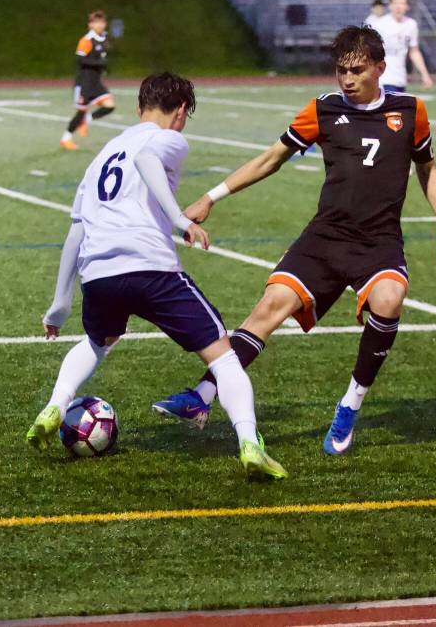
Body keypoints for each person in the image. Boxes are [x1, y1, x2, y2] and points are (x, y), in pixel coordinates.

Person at [152, 26, 436, 456]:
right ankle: (201, 398)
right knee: (268, 308)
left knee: (389, 300)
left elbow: (427, 169)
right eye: (340, 70)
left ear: (380, 68)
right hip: (325, 238)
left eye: (356, 70)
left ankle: (350, 405)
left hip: (378, 242)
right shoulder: (323, 109)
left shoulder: (410, 111)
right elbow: (270, 159)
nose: (347, 79)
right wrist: (211, 197)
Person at [30, 72, 287, 481]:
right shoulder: (169, 138)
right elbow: (147, 160)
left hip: (99, 272)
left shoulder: (102, 154)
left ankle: (57, 405)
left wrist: (60, 303)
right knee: (223, 356)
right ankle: (250, 443)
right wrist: (181, 220)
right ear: (181, 111)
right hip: (149, 266)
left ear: (138, 107)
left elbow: (76, 231)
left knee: (99, 341)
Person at [60, 10, 115, 151]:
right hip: (84, 83)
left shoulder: (103, 39)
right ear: (90, 24)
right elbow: (80, 60)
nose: (99, 25)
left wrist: (105, 67)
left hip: (96, 83)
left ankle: (87, 120)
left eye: (102, 22)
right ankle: (65, 139)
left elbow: (102, 57)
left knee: (109, 105)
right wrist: (100, 64)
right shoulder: (86, 40)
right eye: (96, 22)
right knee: (80, 113)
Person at [364, 0, 433, 92]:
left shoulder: (411, 24)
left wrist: (425, 74)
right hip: (382, 79)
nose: (399, 7)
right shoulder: (379, 25)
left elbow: (414, 52)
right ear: (390, 6)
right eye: (396, 3)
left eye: (402, 3)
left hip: (400, 79)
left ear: (407, 7)